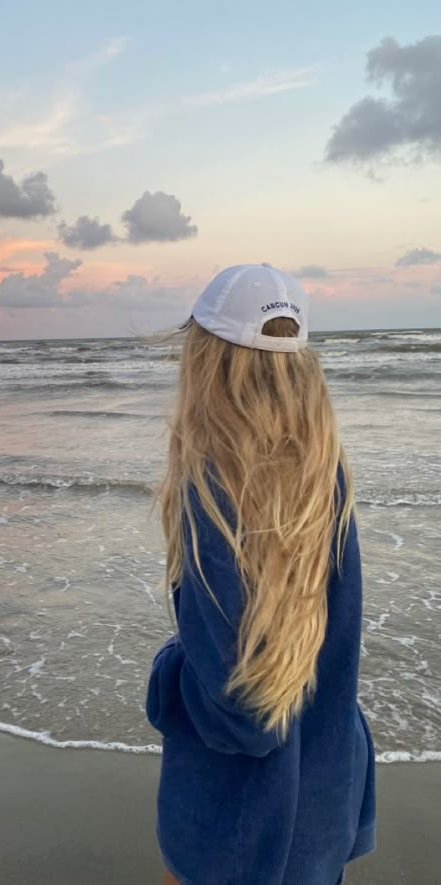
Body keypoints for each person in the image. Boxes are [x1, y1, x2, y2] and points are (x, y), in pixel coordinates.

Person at [145, 263, 376, 885]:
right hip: (324, 794)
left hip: (237, 820)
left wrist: (169, 671)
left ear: (203, 358)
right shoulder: (326, 471)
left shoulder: (211, 489)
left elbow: (239, 716)